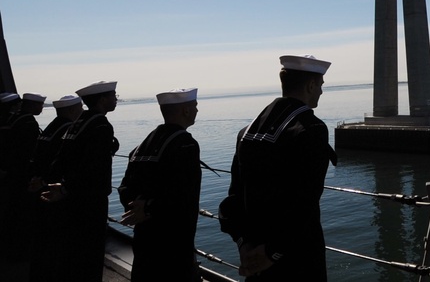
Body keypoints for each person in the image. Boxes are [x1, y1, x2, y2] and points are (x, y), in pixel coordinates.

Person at [220, 55, 335, 281]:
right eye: (320, 85)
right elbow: (305, 203)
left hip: (254, 256)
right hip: (296, 260)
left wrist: (245, 246)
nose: (321, 91)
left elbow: (234, 198)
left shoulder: (247, 132)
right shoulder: (310, 129)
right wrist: (273, 253)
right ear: (311, 85)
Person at [119, 87, 202, 282]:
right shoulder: (185, 143)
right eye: (195, 106)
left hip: (144, 236)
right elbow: (183, 193)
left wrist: (136, 207)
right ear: (186, 110)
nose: (197, 111)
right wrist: (149, 208)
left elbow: (125, 187)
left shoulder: (142, 145)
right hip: (173, 239)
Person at [43, 80, 120, 282]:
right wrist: (69, 188)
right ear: (103, 99)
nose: (116, 99)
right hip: (90, 199)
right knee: (90, 253)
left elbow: (62, 158)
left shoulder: (79, 122)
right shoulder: (101, 125)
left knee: (74, 250)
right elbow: (92, 166)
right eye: (113, 96)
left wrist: (63, 187)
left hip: (73, 197)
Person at [27, 94, 84, 282]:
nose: (82, 111)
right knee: (58, 239)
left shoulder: (51, 128)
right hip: (55, 190)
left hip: (41, 186)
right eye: (79, 108)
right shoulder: (67, 129)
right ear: (71, 110)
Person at [0, 92, 45, 277]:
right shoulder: (27, 123)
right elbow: (28, 153)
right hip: (23, 177)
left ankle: (13, 251)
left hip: (11, 176)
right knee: (23, 215)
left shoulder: (12, 120)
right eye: (40, 105)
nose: (41, 108)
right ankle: (21, 253)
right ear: (33, 106)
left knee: (14, 214)